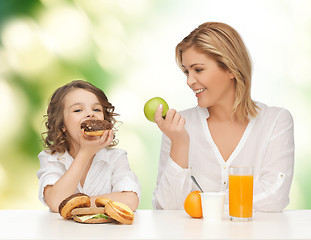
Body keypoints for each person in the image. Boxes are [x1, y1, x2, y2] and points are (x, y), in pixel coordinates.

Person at [152, 22, 294, 212]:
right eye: (187, 71)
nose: (189, 81)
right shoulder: (177, 127)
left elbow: (274, 196)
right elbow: (165, 209)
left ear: (230, 69)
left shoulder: (276, 121)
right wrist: (179, 143)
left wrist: (206, 203)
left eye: (198, 70)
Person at [37, 80, 141, 212]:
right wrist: (84, 153)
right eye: (78, 110)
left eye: (96, 109)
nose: (90, 114)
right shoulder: (51, 159)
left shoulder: (116, 157)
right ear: (62, 125)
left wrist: (75, 204)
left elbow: (130, 200)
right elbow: (56, 202)